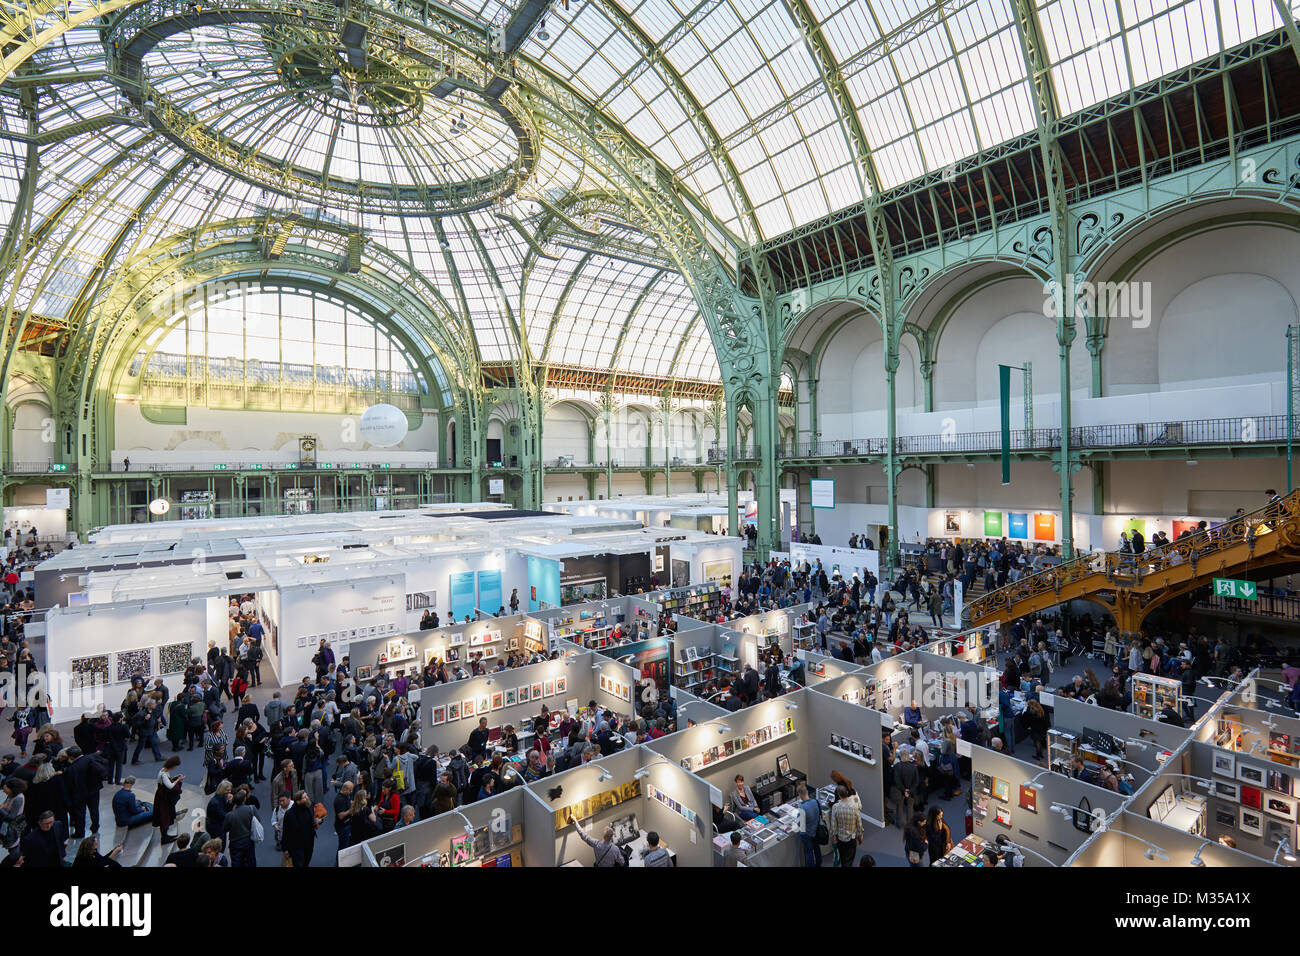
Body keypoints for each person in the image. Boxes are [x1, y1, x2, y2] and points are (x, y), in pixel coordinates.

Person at [281, 790, 318, 867]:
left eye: (306, 796)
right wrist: (285, 849)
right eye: (304, 797)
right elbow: (286, 832)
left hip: (309, 844)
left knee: (306, 863)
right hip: (296, 847)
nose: (307, 798)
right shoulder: (290, 814)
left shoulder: (309, 807)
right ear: (298, 801)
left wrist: (318, 821)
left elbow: (316, 818)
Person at [152, 755, 184, 844]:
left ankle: (165, 836)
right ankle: (164, 837)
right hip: (163, 798)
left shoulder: (164, 771)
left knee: (166, 815)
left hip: (162, 796)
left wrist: (176, 777)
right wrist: (178, 780)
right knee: (164, 816)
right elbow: (170, 786)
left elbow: (168, 782)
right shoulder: (164, 774)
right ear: (172, 765)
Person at [828, 784, 863, 867]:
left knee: (843, 858)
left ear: (839, 795)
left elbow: (833, 824)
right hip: (852, 838)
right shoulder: (854, 807)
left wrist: (834, 836)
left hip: (841, 838)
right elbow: (859, 823)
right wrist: (860, 836)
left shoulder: (835, 807)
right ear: (847, 792)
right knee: (850, 858)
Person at [796, 782, 822, 868]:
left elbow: (800, 824)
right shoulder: (816, 802)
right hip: (815, 830)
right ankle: (818, 864)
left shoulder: (803, 808)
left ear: (800, 794)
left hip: (807, 834)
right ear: (807, 792)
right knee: (817, 849)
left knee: (809, 852)